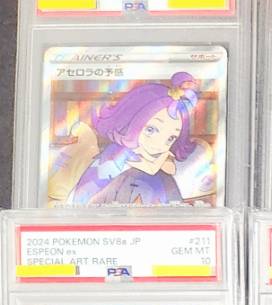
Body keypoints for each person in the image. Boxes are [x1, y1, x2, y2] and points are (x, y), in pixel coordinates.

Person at [67, 72, 203, 205]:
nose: (158, 146)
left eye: (170, 138)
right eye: (150, 130)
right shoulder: (118, 156)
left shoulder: (155, 160)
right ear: (131, 121)